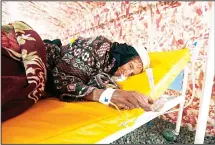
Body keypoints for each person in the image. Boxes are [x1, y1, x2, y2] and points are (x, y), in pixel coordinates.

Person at [44, 36, 154, 111]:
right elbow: (63, 80)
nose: (126, 73)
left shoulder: (110, 68)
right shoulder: (100, 45)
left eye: (131, 74)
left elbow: (99, 80)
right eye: (130, 66)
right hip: (45, 59)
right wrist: (104, 95)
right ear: (126, 55)